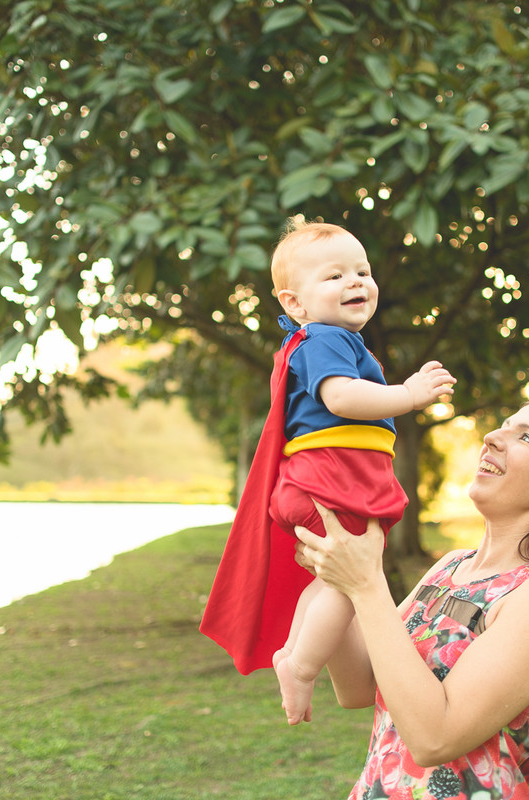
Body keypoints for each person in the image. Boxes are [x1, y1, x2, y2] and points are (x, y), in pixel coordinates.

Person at [294, 387, 529, 798]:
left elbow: (435, 738)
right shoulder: (451, 567)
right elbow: (357, 686)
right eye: (504, 426)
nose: (492, 437)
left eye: (525, 437)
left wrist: (366, 584)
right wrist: (335, 570)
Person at [200, 218, 457, 725]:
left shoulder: (327, 340)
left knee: (331, 580)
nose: (355, 282)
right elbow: (340, 397)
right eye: (335, 276)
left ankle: (294, 653)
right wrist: (408, 395)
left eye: (362, 271)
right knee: (348, 580)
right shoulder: (325, 340)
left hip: (323, 480)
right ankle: (301, 665)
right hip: (331, 480)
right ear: (294, 303)